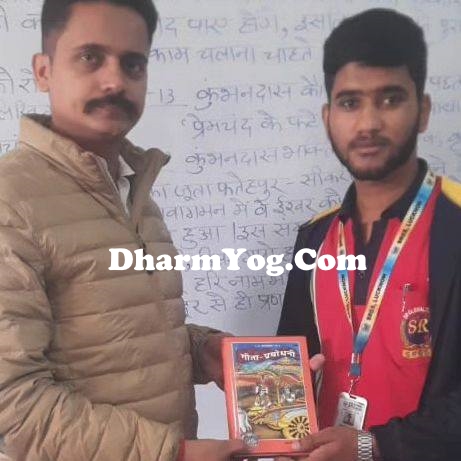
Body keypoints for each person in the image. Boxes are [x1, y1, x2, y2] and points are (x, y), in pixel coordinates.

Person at [0, 1, 244, 460]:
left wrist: (201, 350)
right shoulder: (10, 200)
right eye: (90, 57)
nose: (114, 81)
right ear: (43, 71)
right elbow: (13, 406)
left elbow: (114, 336)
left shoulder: (134, 191)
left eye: (132, 64)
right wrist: (173, 454)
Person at [278, 8, 461, 461]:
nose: (367, 124)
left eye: (390, 99)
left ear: (423, 110)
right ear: (328, 117)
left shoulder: (455, 225)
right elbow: (290, 370)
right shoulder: (314, 238)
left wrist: (373, 446)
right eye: (349, 103)